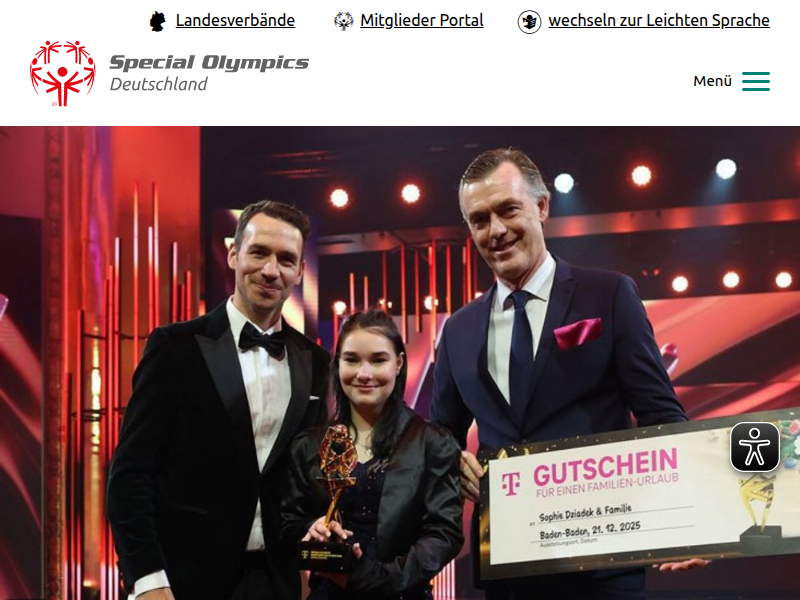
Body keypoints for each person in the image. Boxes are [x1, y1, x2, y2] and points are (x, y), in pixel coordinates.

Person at [431, 148, 704, 600]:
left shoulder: (608, 294)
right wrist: (451, 461)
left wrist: (693, 517)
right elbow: (441, 436)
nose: (495, 230)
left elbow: (661, 415)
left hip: (603, 563)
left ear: (541, 207)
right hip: (507, 563)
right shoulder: (457, 329)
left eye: (508, 210)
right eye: (479, 220)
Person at [107, 200, 331, 600]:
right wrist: (147, 579)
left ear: (300, 271)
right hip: (183, 581)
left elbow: (302, 482)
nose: (270, 270)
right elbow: (130, 476)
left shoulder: (316, 363)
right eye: (258, 252)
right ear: (233, 254)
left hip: (276, 583)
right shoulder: (174, 347)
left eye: (285, 259)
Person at [281, 309, 464, 600]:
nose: (364, 374)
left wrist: (376, 579)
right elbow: (288, 524)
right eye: (351, 360)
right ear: (337, 364)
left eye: (378, 360)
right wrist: (311, 529)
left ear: (399, 363)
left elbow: (444, 534)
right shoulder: (310, 445)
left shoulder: (432, 443)